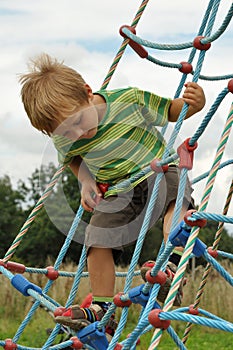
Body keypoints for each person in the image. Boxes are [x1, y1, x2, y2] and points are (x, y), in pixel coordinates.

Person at [19, 53, 205, 333]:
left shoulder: (127, 101)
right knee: (96, 238)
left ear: (87, 92)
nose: (78, 133)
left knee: (175, 205)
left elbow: (170, 111)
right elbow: (72, 157)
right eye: (67, 131)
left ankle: (169, 267)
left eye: (79, 121)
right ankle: (102, 308)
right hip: (119, 192)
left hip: (159, 171)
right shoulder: (64, 136)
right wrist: (85, 180)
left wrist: (194, 105)